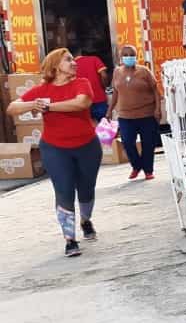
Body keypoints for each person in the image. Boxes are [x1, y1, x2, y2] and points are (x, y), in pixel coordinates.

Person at [5, 48, 102, 257]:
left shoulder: (81, 83)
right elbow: (13, 108)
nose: (74, 63)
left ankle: (85, 220)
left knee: (86, 189)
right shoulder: (42, 90)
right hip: (55, 148)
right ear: (56, 65)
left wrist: (48, 107)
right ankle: (70, 240)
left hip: (87, 146)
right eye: (69, 60)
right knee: (64, 190)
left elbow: (81, 103)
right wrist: (34, 104)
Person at [107, 44, 163, 181]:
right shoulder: (117, 72)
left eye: (131, 55)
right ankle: (136, 166)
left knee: (148, 144)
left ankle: (148, 170)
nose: (128, 57)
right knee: (127, 142)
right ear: (120, 58)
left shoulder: (144, 71)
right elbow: (115, 92)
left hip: (147, 114)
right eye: (125, 55)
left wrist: (158, 109)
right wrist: (109, 110)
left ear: (136, 56)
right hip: (125, 116)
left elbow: (156, 90)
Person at [72, 46, 109, 122]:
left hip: (82, 103)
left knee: (88, 128)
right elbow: (104, 75)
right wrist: (104, 87)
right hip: (99, 99)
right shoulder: (94, 59)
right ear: (80, 52)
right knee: (105, 128)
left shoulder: (70, 66)